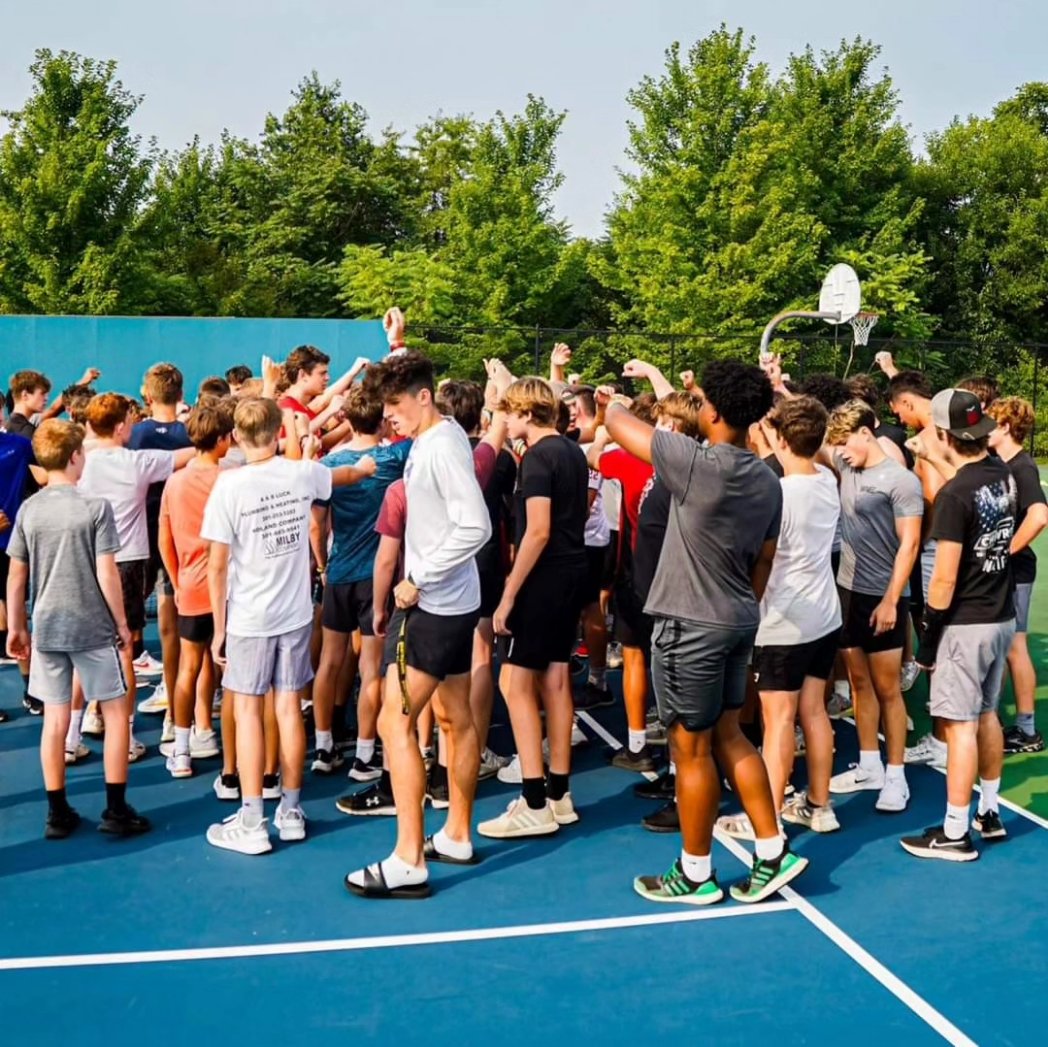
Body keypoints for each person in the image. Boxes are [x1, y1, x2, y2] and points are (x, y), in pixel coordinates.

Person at [606, 359, 808, 906]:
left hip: (690, 625)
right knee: (730, 736)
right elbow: (765, 559)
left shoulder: (696, 464)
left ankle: (695, 874)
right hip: (739, 617)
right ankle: (772, 852)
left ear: (711, 412)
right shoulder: (769, 478)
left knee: (689, 749)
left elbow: (617, 422)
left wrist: (619, 396)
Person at [346, 352, 491, 898]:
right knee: (454, 718)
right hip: (450, 605)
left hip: (433, 608)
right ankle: (456, 833)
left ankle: (409, 859)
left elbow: (474, 526)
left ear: (424, 397)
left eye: (395, 405)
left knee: (394, 724)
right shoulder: (443, 435)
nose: (389, 417)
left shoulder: (440, 448)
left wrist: (419, 577)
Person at [201, 397, 335, 854]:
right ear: (279, 431)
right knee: (287, 709)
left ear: (236, 437)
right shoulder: (302, 473)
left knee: (248, 712)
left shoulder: (229, 487)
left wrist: (219, 627)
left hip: (250, 619)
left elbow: (217, 565)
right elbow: (339, 477)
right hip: (294, 614)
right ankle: (291, 810)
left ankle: (254, 818)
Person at [5, 419, 150, 838]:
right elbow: (107, 573)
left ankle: (57, 811)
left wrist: (17, 626)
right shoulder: (94, 508)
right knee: (116, 712)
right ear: (74, 457)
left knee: (54, 718)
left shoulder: (30, 510)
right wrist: (121, 623)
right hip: (93, 627)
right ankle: (116, 809)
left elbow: (17, 576)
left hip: (47, 627)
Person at [902, 389, 1017, 860]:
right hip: (1001, 615)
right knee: (987, 714)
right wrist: (934, 457)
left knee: (959, 724)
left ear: (947, 434)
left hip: (965, 622)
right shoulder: (1001, 475)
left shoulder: (954, 495)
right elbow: (970, 495)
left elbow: (945, 576)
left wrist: (928, 638)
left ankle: (954, 831)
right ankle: (988, 813)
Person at [478, 377, 588, 839]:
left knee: (513, 680)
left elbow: (537, 531)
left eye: (509, 412)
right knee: (557, 678)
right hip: (570, 573)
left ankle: (536, 799)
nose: (505, 419)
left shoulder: (540, 457)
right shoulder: (571, 452)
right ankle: (559, 793)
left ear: (525, 414)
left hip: (543, 577)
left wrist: (508, 594)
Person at [78, 393, 195, 761]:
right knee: (123, 650)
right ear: (119, 427)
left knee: (89, 648)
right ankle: (124, 735)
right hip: (126, 563)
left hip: (88, 560)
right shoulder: (138, 462)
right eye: (128, 420)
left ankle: (80, 724)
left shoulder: (81, 459)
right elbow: (191, 455)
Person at [825, 400, 922, 813]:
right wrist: (776, 386)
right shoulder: (848, 464)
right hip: (846, 591)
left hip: (883, 596)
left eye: (846, 442)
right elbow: (799, 431)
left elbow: (911, 545)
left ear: (866, 432)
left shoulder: (900, 481)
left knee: (887, 690)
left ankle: (896, 777)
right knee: (859, 683)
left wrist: (890, 600)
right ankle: (869, 765)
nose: (841, 451)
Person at [310, 386, 410, 776]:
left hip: (338, 574)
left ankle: (323, 748)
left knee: (329, 663)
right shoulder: (394, 458)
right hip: (376, 579)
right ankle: (365, 755)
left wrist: (322, 565)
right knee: (372, 668)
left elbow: (316, 526)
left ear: (347, 420)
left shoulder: (330, 466)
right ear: (382, 419)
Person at [752, 396, 841, 833]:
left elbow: (764, 559)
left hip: (784, 621)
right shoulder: (827, 479)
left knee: (779, 721)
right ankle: (819, 806)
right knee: (815, 713)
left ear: (783, 439)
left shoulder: (777, 492)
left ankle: (766, 817)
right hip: (824, 615)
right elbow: (808, 450)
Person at [157, 400, 234, 778]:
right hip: (231, 592)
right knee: (230, 670)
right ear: (222, 439)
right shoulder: (232, 478)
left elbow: (163, 539)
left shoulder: (175, 481)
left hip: (190, 591)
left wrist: (176, 580)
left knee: (191, 666)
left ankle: (184, 748)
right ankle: (232, 756)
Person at [889, 369, 949, 771]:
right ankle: (952, 732)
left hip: (936, 549)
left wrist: (918, 541)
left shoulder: (928, 438)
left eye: (899, 412)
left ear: (908, 403)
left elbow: (931, 498)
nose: (899, 420)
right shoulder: (951, 426)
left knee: (935, 638)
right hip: (958, 548)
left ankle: (942, 739)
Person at [129, 363, 194, 718]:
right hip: (178, 538)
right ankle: (176, 707)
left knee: (123, 621)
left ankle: (97, 707)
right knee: (171, 624)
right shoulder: (190, 435)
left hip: (142, 538)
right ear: (181, 395)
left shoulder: (134, 435)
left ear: (148, 396)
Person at [986, 397, 1047, 753]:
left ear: (1007, 427)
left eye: (991, 424)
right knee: (1003, 645)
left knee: (1014, 646)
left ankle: (1027, 730)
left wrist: (1006, 550)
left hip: (1016, 570)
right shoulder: (999, 463)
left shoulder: (1022, 467)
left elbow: (1039, 516)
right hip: (1004, 569)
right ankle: (995, 717)